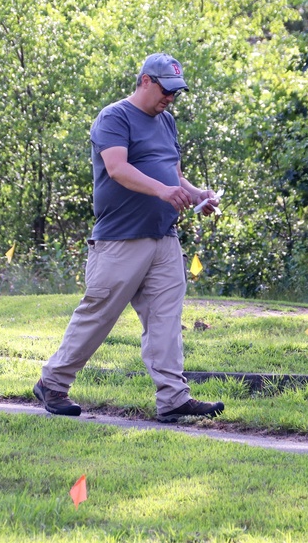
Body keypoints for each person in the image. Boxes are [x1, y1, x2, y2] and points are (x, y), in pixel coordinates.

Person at [34, 53, 224, 423]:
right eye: (166, 90)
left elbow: (173, 175)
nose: (170, 98)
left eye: (176, 93)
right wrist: (162, 192)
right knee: (98, 314)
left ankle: (172, 397)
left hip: (163, 237)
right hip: (120, 240)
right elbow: (118, 168)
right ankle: (52, 383)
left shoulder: (167, 122)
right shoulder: (114, 117)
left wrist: (198, 195)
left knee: (166, 320)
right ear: (144, 81)